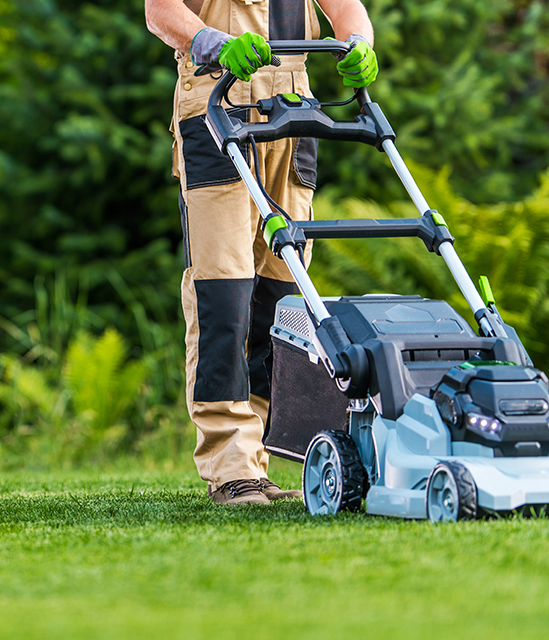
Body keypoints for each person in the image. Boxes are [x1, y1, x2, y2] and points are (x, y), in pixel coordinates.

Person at [145, 0, 378, 505]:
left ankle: (260, 459)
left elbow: (347, 9)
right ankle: (231, 464)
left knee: (283, 296)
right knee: (223, 291)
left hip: (292, 109)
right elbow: (159, 11)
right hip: (216, 99)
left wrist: (360, 43)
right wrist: (214, 43)